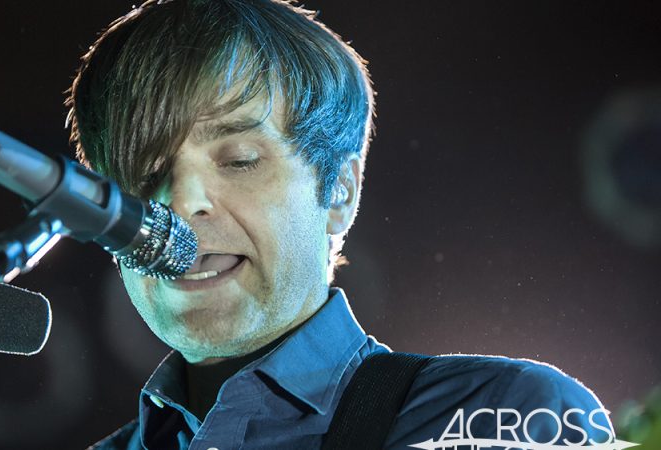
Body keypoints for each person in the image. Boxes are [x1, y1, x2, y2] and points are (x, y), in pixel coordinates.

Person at [66, 1, 615, 448]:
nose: (181, 202)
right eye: (146, 172)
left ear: (339, 192)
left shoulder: (502, 417)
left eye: (239, 160)